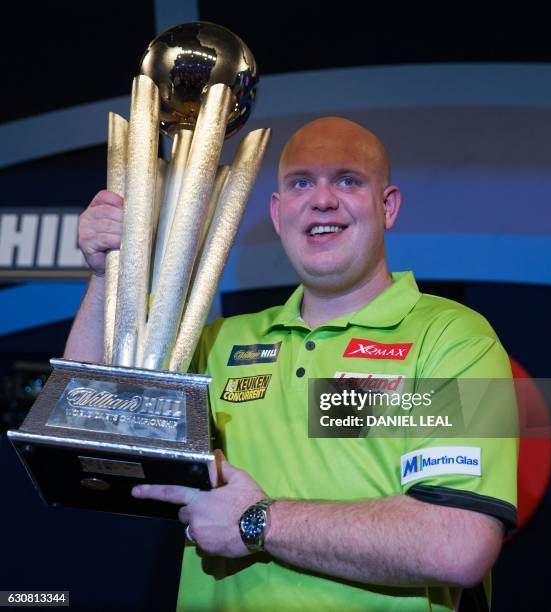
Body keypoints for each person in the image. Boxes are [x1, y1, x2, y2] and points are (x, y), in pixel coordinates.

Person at [64, 117, 517, 611]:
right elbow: (86, 422)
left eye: (347, 179)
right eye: (302, 182)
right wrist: (108, 272)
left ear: (387, 207)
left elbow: (459, 544)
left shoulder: (453, 339)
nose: (322, 199)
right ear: (279, 214)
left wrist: (258, 521)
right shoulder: (216, 343)